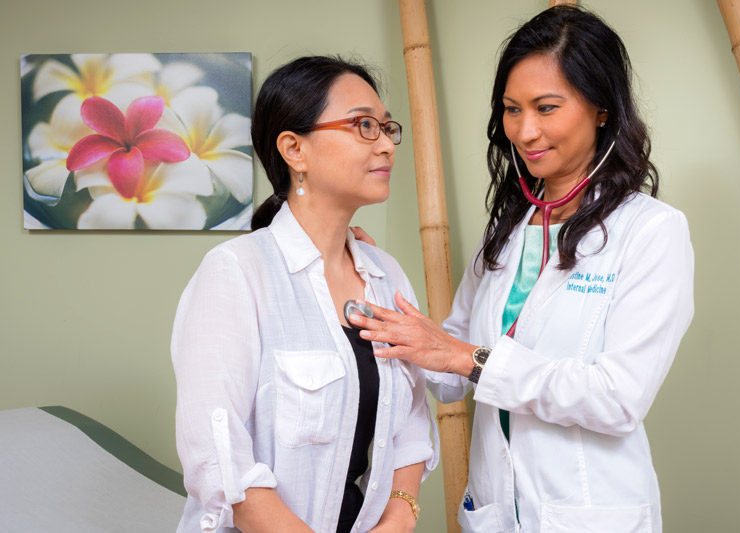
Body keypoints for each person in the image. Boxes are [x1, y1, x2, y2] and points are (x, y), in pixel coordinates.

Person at [348, 6, 694, 533]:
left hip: (587, 511)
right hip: (494, 511)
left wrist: (469, 359)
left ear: (601, 108)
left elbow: (618, 398)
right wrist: (368, 275)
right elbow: (446, 373)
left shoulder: (650, 231)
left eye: (546, 107)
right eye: (512, 109)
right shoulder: (508, 231)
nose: (526, 131)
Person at [171, 56, 437, 533]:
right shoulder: (235, 271)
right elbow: (217, 458)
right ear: (295, 149)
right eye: (363, 126)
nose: (386, 145)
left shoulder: (387, 275)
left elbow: (412, 423)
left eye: (386, 127)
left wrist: (398, 519)